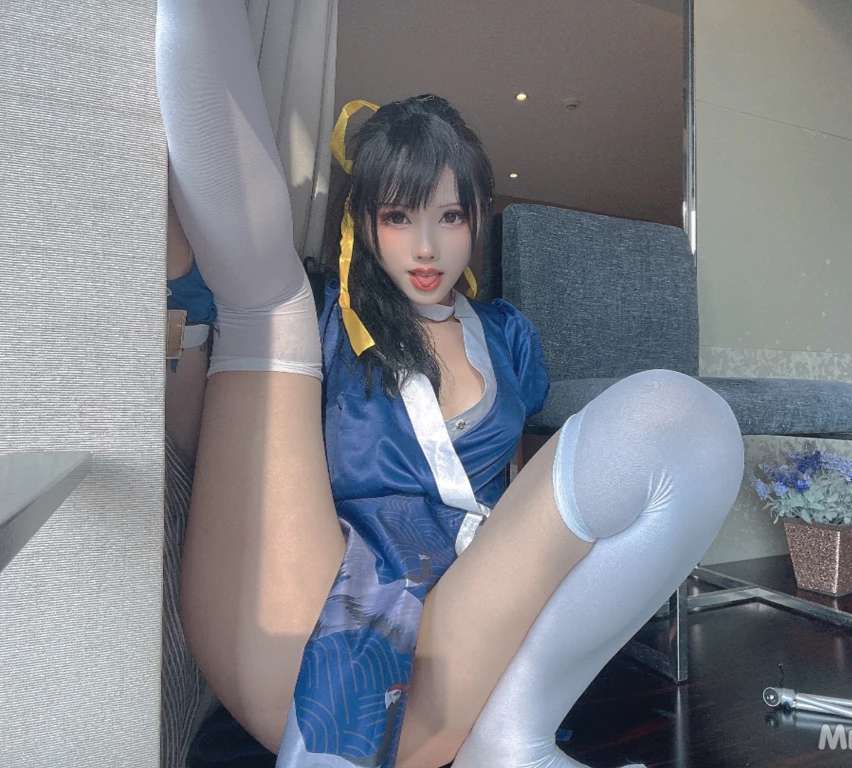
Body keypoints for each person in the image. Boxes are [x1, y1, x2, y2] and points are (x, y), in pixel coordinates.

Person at [156, 2, 745, 767]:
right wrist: (190, 334)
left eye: (451, 216)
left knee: (682, 416)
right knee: (270, 303)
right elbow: (219, 444)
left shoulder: (507, 335)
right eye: (400, 217)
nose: (428, 246)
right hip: (339, 604)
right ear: (365, 222)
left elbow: (528, 488)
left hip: (468, 610)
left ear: (477, 219)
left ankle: (512, 738)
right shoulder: (331, 317)